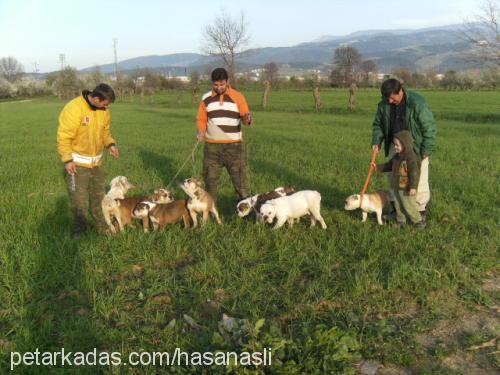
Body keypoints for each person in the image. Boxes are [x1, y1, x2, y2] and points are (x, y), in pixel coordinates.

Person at [57, 83, 119, 237]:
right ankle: (80, 232)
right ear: (96, 98)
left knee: (99, 197)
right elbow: (64, 137)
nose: (107, 107)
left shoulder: (104, 111)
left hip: (97, 164)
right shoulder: (74, 109)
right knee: (80, 201)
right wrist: (67, 160)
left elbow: (105, 131)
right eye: (105, 103)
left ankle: (103, 228)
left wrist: (110, 144)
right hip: (77, 165)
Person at [371, 78, 437, 218]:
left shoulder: (417, 103)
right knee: (395, 177)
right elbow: (378, 124)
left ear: (400, 91)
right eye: (386, 98)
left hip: (416, 147)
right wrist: (377, 140)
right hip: (394, 145)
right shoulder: (384, 104)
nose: (389, 101)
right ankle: (398, 208)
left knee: (419, 177)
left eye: (392, 98)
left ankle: (420, 209)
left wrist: (426, 149)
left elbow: (429, 128)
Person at [196, 68, 253, 201]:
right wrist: (200, 132)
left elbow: (245, 118)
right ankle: (210, 214)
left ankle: (246, 212)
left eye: (222, 84)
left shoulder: (238, 97)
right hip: (212, 148)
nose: (219, 87)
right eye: (216, 84)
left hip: (234, 147)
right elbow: (202, 119)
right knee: (210, 183)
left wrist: (247, 118)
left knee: (241, 183)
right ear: (212, 83)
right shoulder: (206, 98)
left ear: (227, 81)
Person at [375, 131, 426, 229]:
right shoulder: (397, 156)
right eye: (394, 145)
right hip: (397, 186)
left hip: (406, 187)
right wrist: (377, 167)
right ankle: (401, 221)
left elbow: (414, 174)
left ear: (405, 144)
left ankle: (418, 220)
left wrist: (413, 187)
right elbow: (389, 165)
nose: (395, 147)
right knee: (398, 205)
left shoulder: (411, 158)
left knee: (408, 204)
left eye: (397, 145)